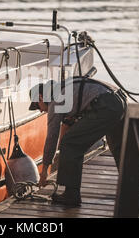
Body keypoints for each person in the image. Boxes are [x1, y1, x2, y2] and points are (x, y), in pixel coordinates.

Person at [29, 77, 127, 206]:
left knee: (70, 144)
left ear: (41, 97)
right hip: (119, 100)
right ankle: (129, 186)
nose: (41, 110)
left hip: (104, 104)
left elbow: (52, 136)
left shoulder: (55, 101)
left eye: (37, 106)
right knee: (117, 145)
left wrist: (45, 169)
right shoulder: (63, 89)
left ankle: (71, 195)